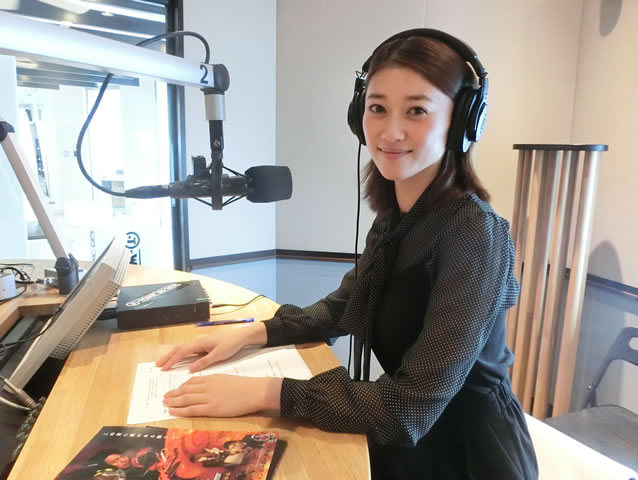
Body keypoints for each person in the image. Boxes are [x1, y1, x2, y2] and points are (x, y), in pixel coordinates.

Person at [157, 28, 539, 479]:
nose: (390, 131)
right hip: (406, 441)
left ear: (461, 122)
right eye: (377, 108)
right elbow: (343, 307)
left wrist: (265, 393)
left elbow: (409, 407)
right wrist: (250, 333)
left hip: (466, 456)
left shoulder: (475, 234)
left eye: (417, 110)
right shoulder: (396, 217)